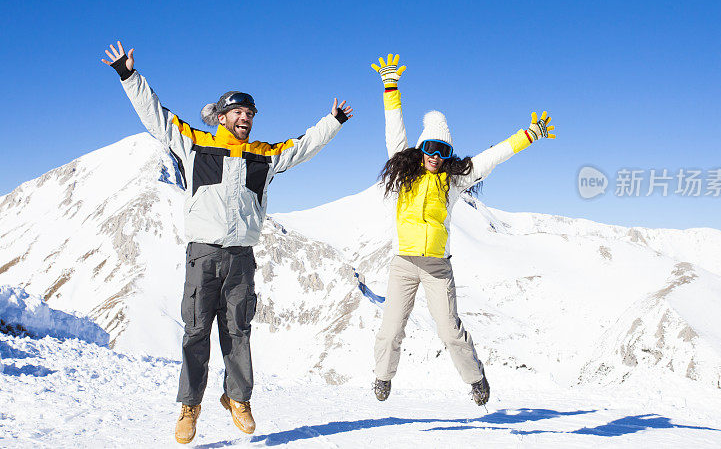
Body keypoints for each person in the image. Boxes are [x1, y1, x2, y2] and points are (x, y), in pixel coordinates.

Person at [101, 41, 353, 444]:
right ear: (221, 116)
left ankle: (237, 398)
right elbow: (158, 118)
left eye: (250, 113)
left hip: (241, 258)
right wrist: (129, 76)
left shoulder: (264, 155)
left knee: (238, 331)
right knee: (196, 332)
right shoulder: (196, 144)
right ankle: (190, 407)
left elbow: (303, 146)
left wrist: (334, 120)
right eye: (238, 111)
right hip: (203, 255)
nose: (246, 118)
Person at [370, 54, 555, 406]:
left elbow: (491, 157)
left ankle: (476, 378)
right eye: (429, 148)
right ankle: (383, 376)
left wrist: (528, 135)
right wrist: (390, 86)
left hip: (438, 267)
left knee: (450, 332)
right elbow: (394, 129)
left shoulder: (453, 182)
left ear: (448, 153)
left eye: (442, 150)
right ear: (420, 148)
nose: (435, 156)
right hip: (404, 264)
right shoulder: (405, 173)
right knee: (391, 329)